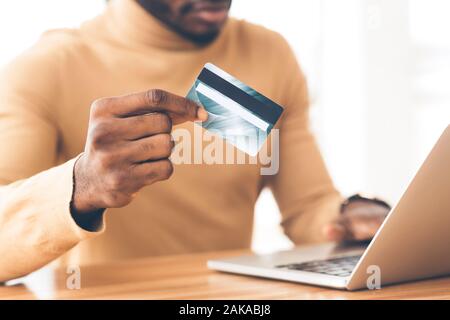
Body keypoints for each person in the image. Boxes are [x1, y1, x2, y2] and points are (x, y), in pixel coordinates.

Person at [0, 0, 389, 282]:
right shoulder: (47, 69)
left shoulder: (266, 53)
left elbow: (308, 207)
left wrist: (348, 223)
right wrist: (80, 186)